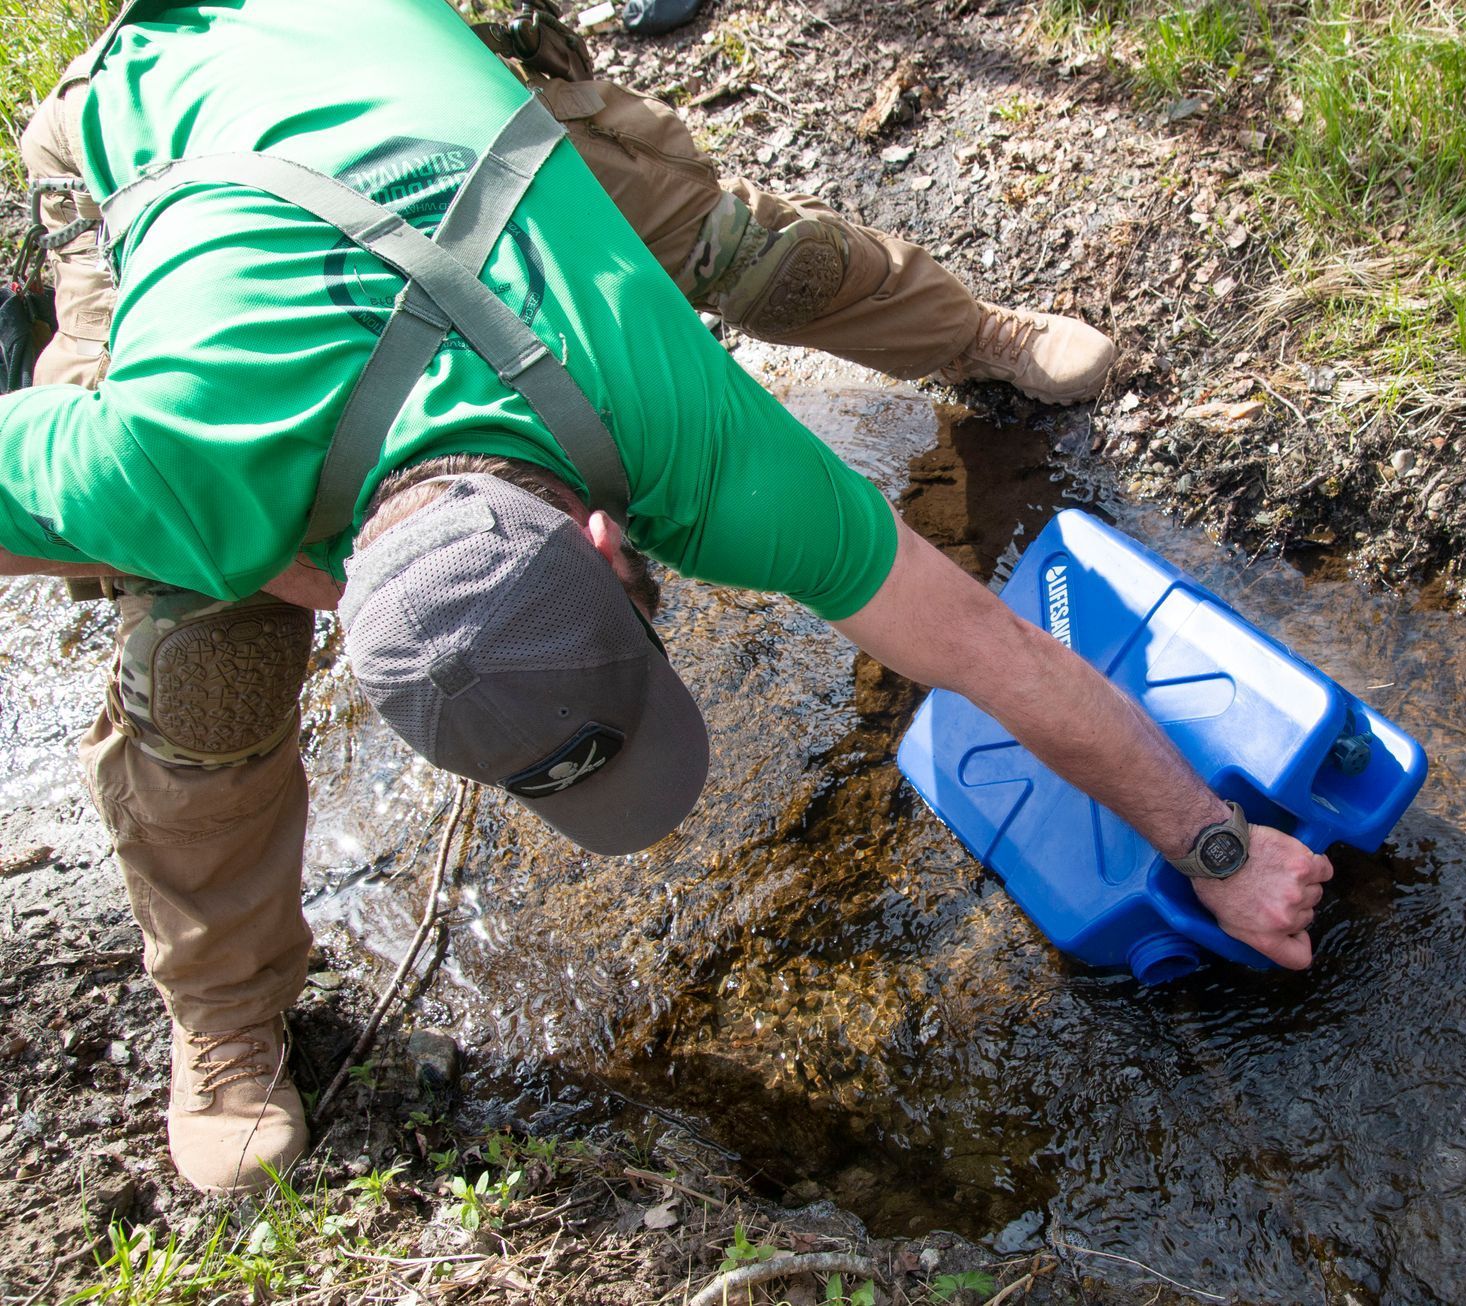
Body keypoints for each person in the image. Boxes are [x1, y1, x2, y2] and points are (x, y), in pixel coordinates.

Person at [0, 0, 1333, 1195]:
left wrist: (1217, 845)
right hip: (153, 137)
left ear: (606, 527)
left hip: (410, 99)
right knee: (203, 662)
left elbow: (985, 647)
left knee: (748, 256)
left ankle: (974, 328)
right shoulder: (164, 460)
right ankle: (225, 1018)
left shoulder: (688, 432)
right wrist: (251, 564)